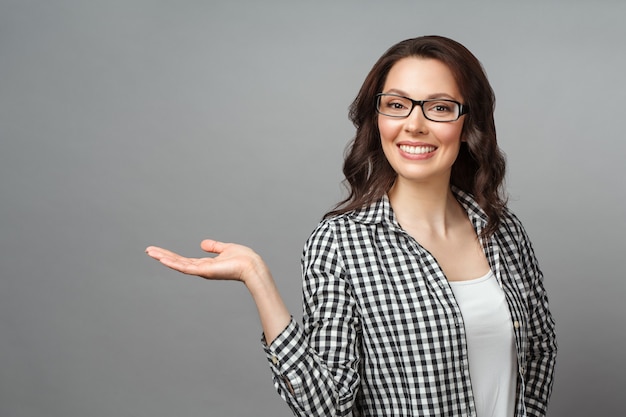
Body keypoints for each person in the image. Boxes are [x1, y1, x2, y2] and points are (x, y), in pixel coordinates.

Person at [145, 35, 557, 417]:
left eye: (439, 107)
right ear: (377, 119)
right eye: (397, 105)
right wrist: (258, 279)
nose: (414, 124)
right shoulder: (340, 243)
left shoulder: (502, 231)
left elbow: (539, 352)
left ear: (468, 124)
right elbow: (326, 405)